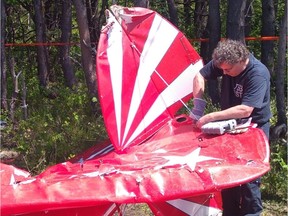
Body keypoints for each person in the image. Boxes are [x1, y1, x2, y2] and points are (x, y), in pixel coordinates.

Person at [190, 39, 271, 216]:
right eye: (222, 70)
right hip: (229, 127)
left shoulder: (258, 74)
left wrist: (210, 116)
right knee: (228, 173)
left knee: (249, 178)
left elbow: (245, 110)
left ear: (241, 61)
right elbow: (199, 75)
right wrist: (198, 105)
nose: (224, 73)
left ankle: (251, 213)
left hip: (253, 129)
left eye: (228, 70)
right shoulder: (224, 60)